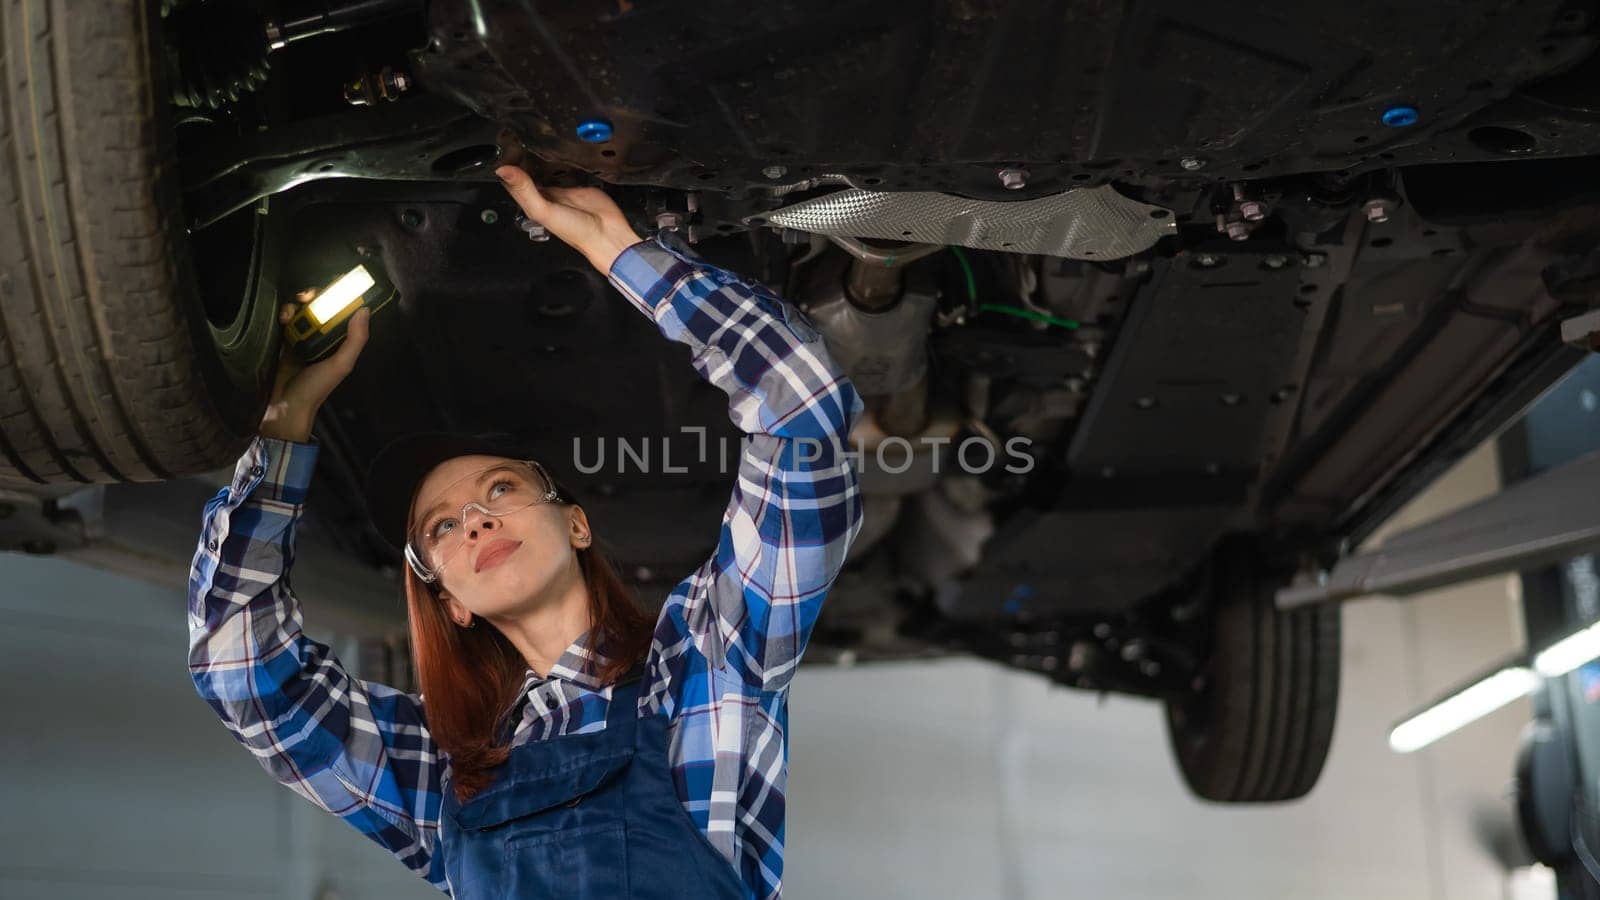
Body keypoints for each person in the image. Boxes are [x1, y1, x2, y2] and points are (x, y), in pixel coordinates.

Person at [187, 165, 864, 900]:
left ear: (574, 523)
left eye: (500, 489)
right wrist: (284, 432)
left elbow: (802, 411)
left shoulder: (706, 666)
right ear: (451, 600)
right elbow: (242, 672)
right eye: (444, 527)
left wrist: (627, 257)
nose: (476, 518)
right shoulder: (449, 779)